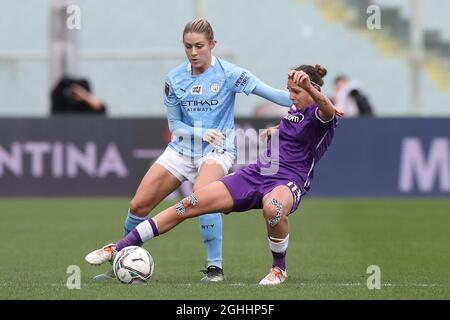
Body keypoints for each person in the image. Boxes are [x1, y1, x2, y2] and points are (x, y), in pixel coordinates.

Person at [85, 64, 344, 285]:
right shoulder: (296, 109)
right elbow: (295, 126)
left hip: (288, 181)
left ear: (313, 90)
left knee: (273, 208)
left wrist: (309, 88)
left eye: (297, 92)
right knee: (189, 204)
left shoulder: (321, 112)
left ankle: (279, 269)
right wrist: (275, 129)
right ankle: (117, 247)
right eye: (290, 91)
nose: (291, 96)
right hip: (258, 173)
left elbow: (326, 110)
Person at [91, 18, 298, 282]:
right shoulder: (174, 79)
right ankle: (121, 260)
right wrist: (201, 132)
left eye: (199, 46)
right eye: (188, 46)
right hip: (181, 149)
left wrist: (308, 95)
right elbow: (175, 125)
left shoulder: (230, 73)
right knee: (139, 204)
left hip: (217, 151)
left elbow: (272, 94)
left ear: (212, 44)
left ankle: (215, 268)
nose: (193, 52)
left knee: (202, 196)